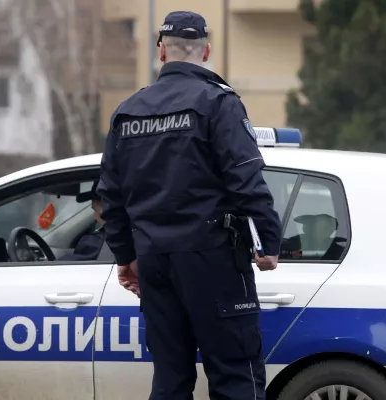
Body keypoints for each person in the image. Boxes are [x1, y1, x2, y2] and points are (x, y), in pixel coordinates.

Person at [97, 10, 282, 400]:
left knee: (169, 379)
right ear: (207, 51)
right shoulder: (219, 103)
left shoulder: (128, 111)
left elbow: (109, 197)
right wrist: (268, 243)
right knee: (235, 376)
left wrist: (127, 257)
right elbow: (246, 180)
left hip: (156, 265)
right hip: (212, 259)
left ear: (161, 52)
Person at [58, 180, 106, 261]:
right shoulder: (131, 235)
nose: (95, 217)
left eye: (95, 210)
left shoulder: (95, 243)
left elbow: (61, 268)